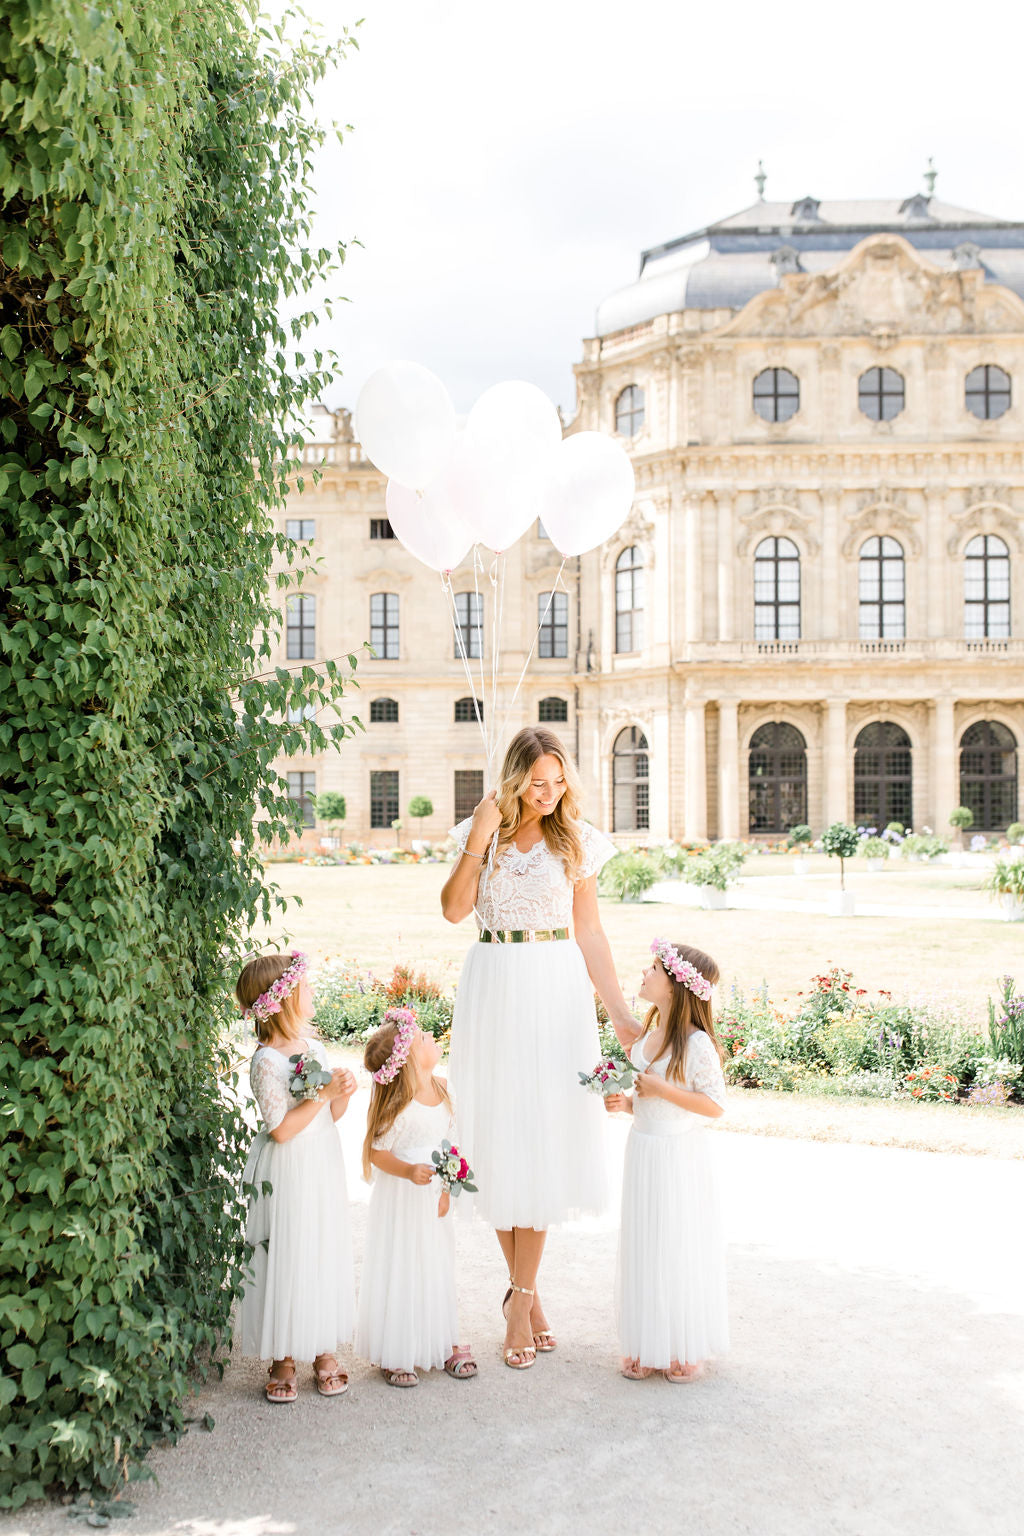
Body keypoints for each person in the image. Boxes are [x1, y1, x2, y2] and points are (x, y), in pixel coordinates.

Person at [441, 725, 635, 1369]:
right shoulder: (485, 833)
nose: (549, 794)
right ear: (514, 779)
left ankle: (520, 1299)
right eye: (537, 782)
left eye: (558, 782)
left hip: (555, 991)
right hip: (493, 986)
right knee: (496, 1140)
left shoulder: (576, 842)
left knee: (544, 1137)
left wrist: (623, 1018)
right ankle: (525, 1295)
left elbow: (592, 936)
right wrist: (477, 835)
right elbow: (451, 910)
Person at [604, 938, 729, 1382]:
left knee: (676, 1241)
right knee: (645, 1240)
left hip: (678, 1155)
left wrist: (661, 1090)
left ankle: (681, 1343)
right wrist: (629, 1106)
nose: (644, 972)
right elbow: (650, 1102)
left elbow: (713, 1105)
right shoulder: (647, 1040)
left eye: (653, 967)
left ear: (674, 987)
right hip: (643, 1148)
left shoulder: (696, 1045)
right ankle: (645, 1341)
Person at [236, 952, 357, 1403]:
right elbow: (282, 1129)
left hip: (321, 1163)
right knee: (289, 1249)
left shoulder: (317, 1050)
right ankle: (283, 1356)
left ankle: (323, 1348)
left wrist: (342, 1093)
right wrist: (322, 1094)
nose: (311, 992)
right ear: (283, 999)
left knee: (320, 1246)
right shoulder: (266, 1061)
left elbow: (331, 1114)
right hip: (287, 1169)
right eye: (304, 986)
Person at [355, 1009, 477, 1387]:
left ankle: (442, 1340)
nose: (431, 1038)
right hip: (402, 1203)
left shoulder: (444, 1089)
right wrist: (408, 1171)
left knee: (437, 1264)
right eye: (423, 1038)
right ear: (407, 1060)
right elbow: (377, 1152)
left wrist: (447, 1189)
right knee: (404, 1267)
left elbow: (452, 1143)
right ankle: (399, 1349)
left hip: (433, 1199)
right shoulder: (399, 1105)